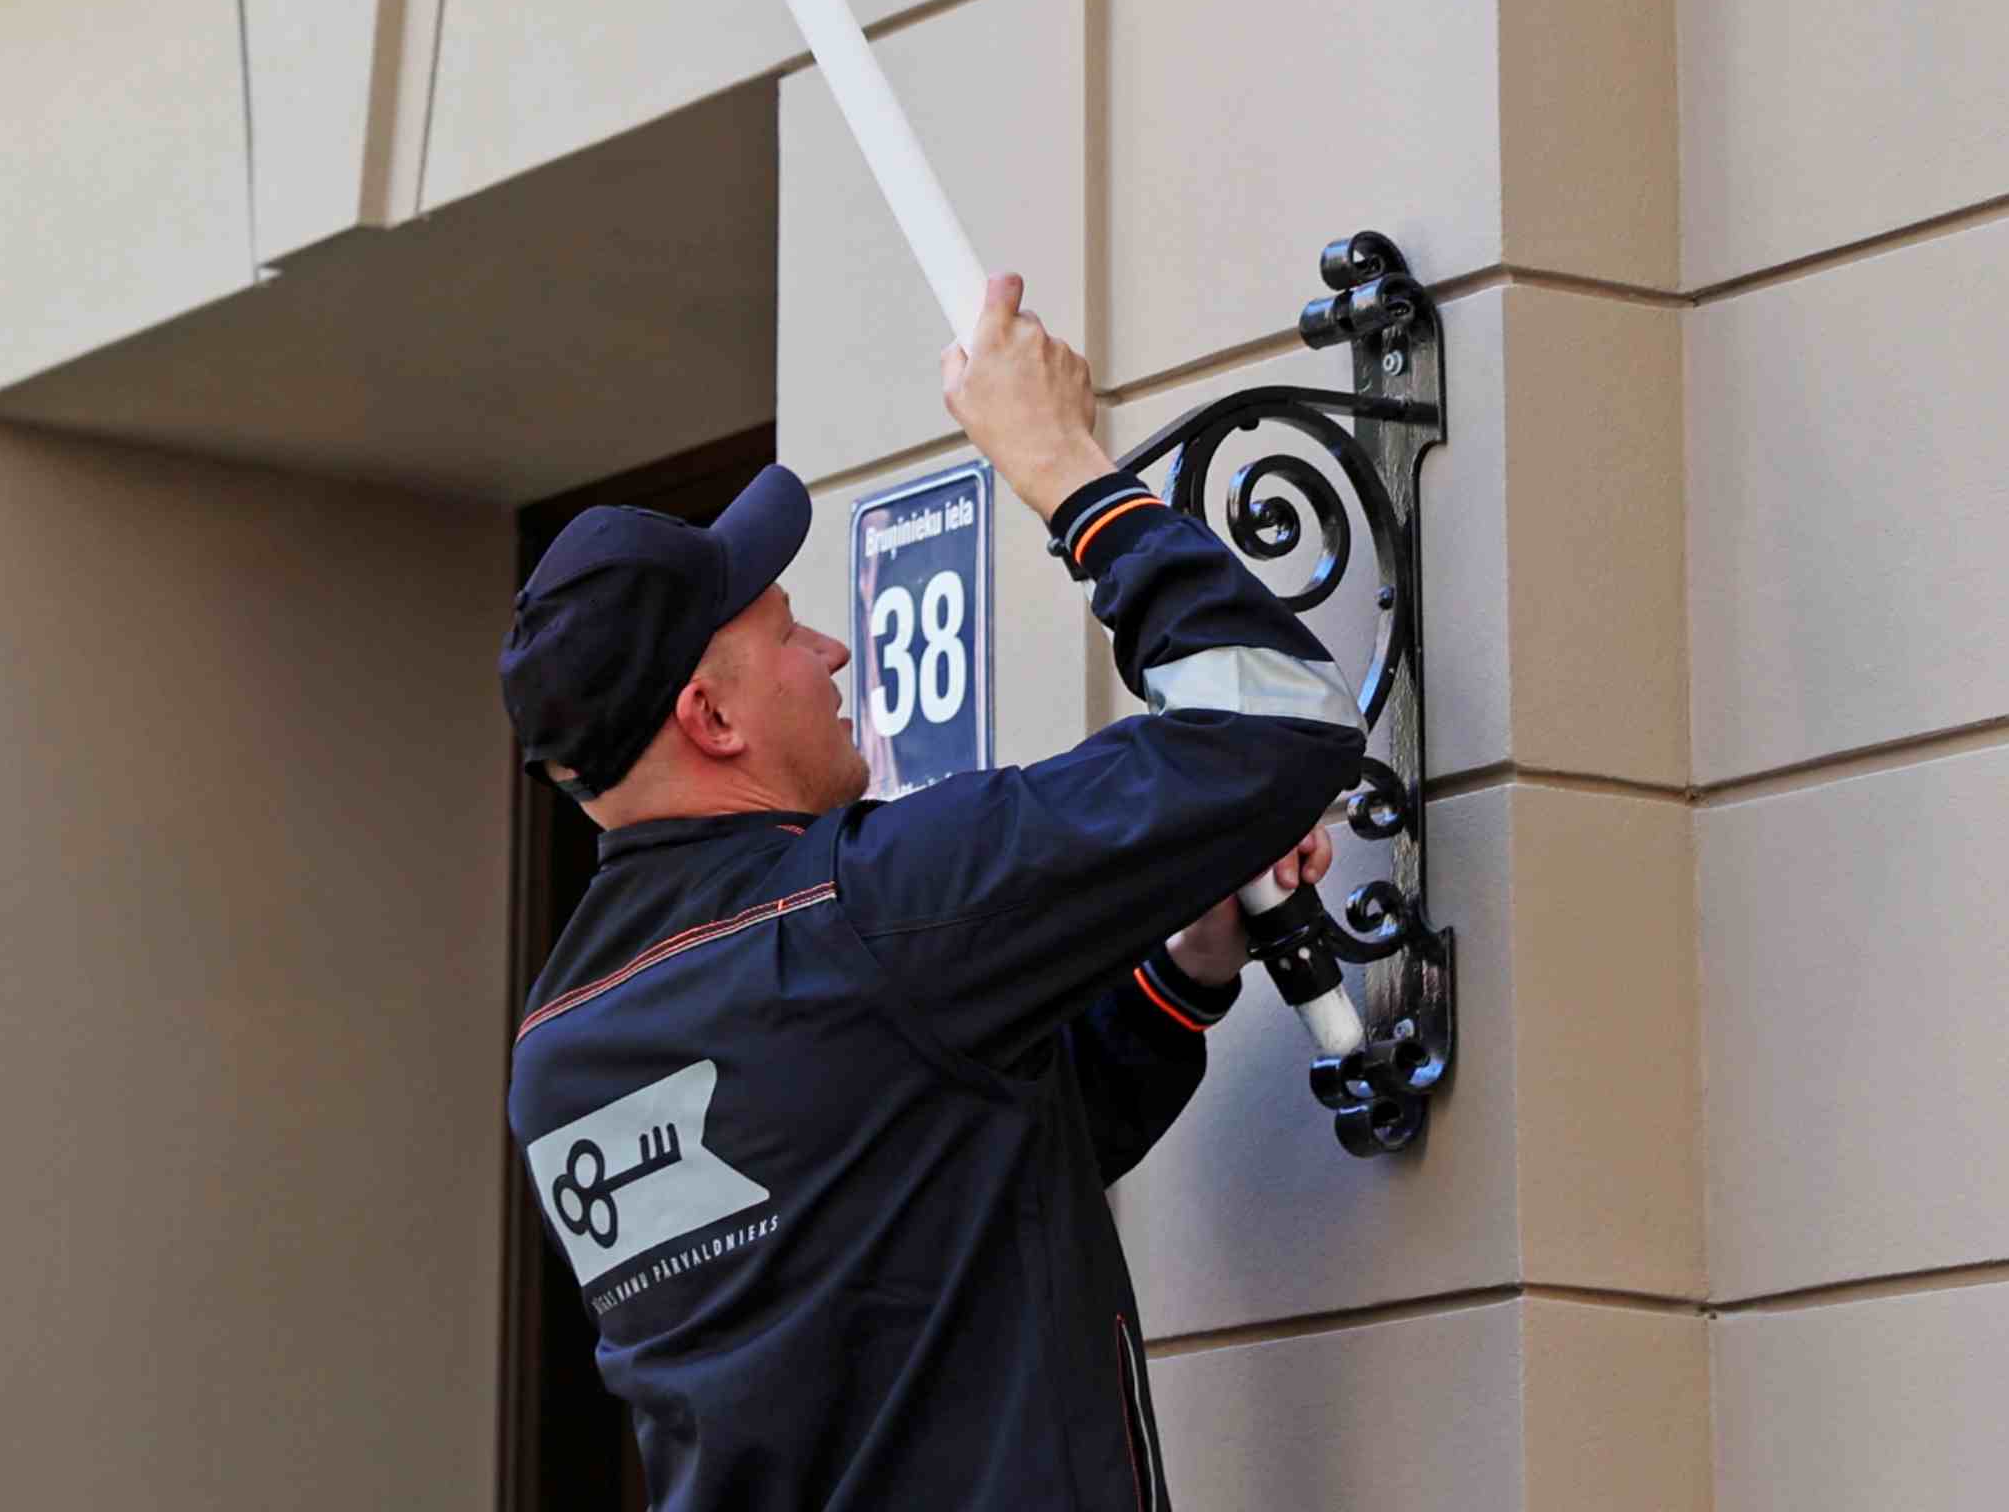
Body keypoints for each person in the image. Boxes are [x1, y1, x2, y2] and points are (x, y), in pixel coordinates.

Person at [498, 276, 1367, 1507]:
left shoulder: (561, 1055)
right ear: (712, 718)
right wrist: (1063, 469)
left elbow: (950, 1174)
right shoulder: (864, 910)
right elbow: (1278, 719)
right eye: (786, 632)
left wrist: (1186, 965)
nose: (832, 651)